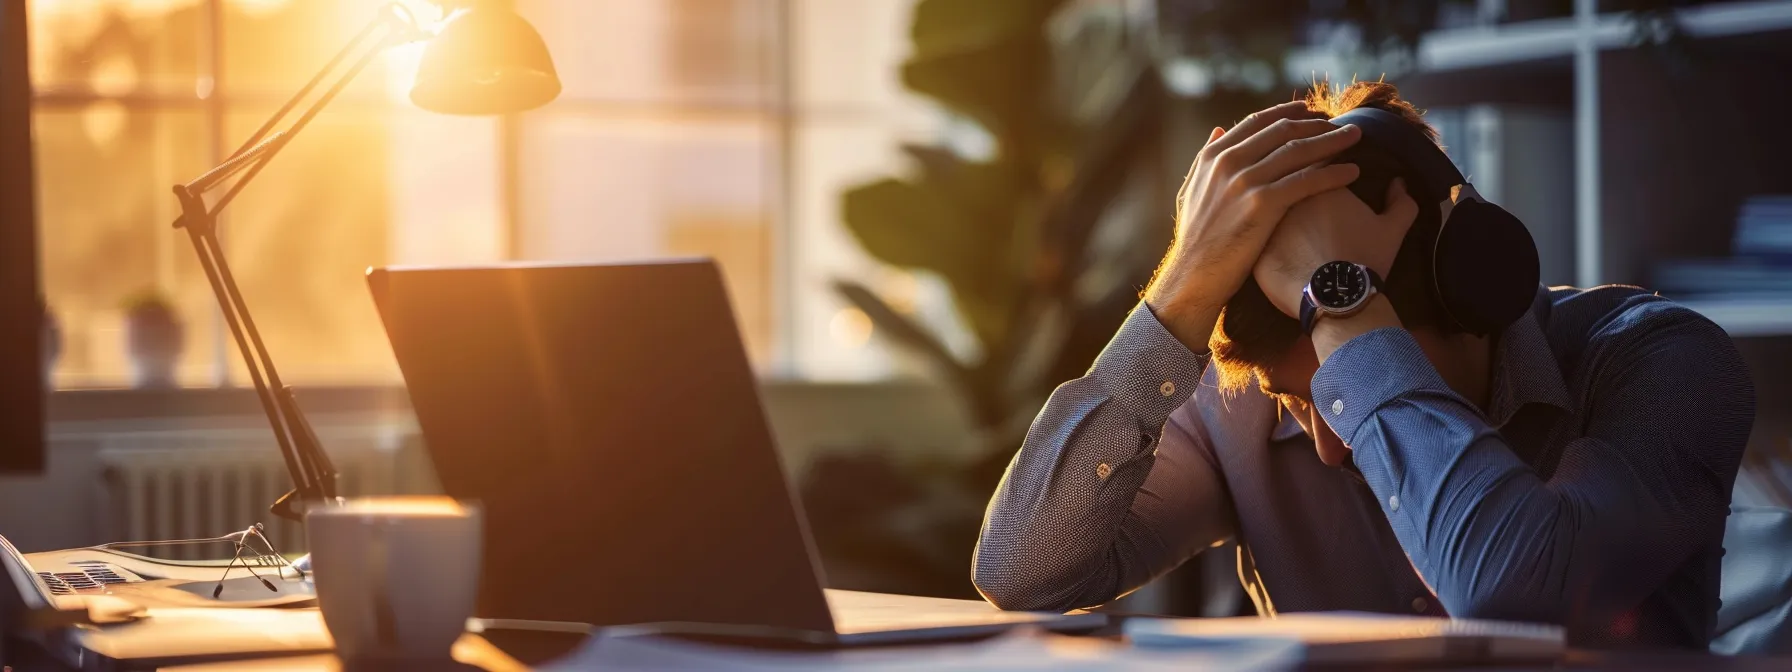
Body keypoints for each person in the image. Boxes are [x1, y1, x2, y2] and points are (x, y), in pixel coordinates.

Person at [971, 81, 1755, 649]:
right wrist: (1180, 290)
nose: (1329, 444)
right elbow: (1021, 570)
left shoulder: (1664, 364)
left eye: (1351, 370)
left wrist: (1342, 307)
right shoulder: (1239, 406)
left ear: (1473, 294)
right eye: (1300, 402)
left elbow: (1514, 589)